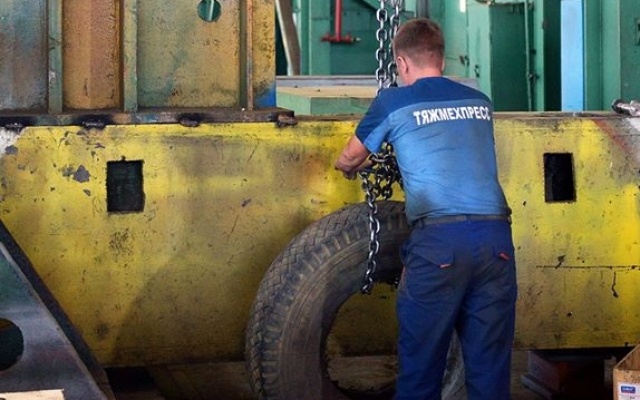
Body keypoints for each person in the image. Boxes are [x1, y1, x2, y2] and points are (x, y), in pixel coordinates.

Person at [334, 18, 517, 400]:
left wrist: (355, 165)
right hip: (496, 242)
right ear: (442, 60)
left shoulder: (393, 101)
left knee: (420, 371)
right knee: (490, 370)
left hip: (439, 245)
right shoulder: (480, 102)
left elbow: (349, 158)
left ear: (401, 63)